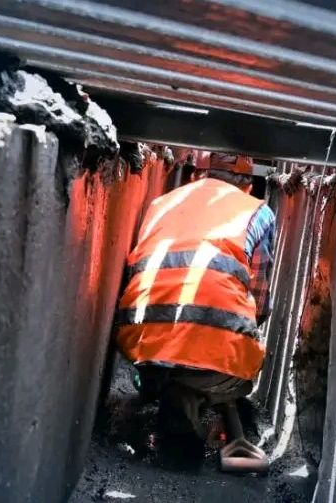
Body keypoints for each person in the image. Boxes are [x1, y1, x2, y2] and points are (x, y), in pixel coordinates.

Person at [115, 152, 276, 440]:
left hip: (137, 344)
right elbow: (260, 303)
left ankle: (157, 384)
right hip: (212, 359)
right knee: (238, 362)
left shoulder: (161, 203)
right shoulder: (257, 211)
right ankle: (193, 391)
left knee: (165, 354)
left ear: (196, 175)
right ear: (248, 183)